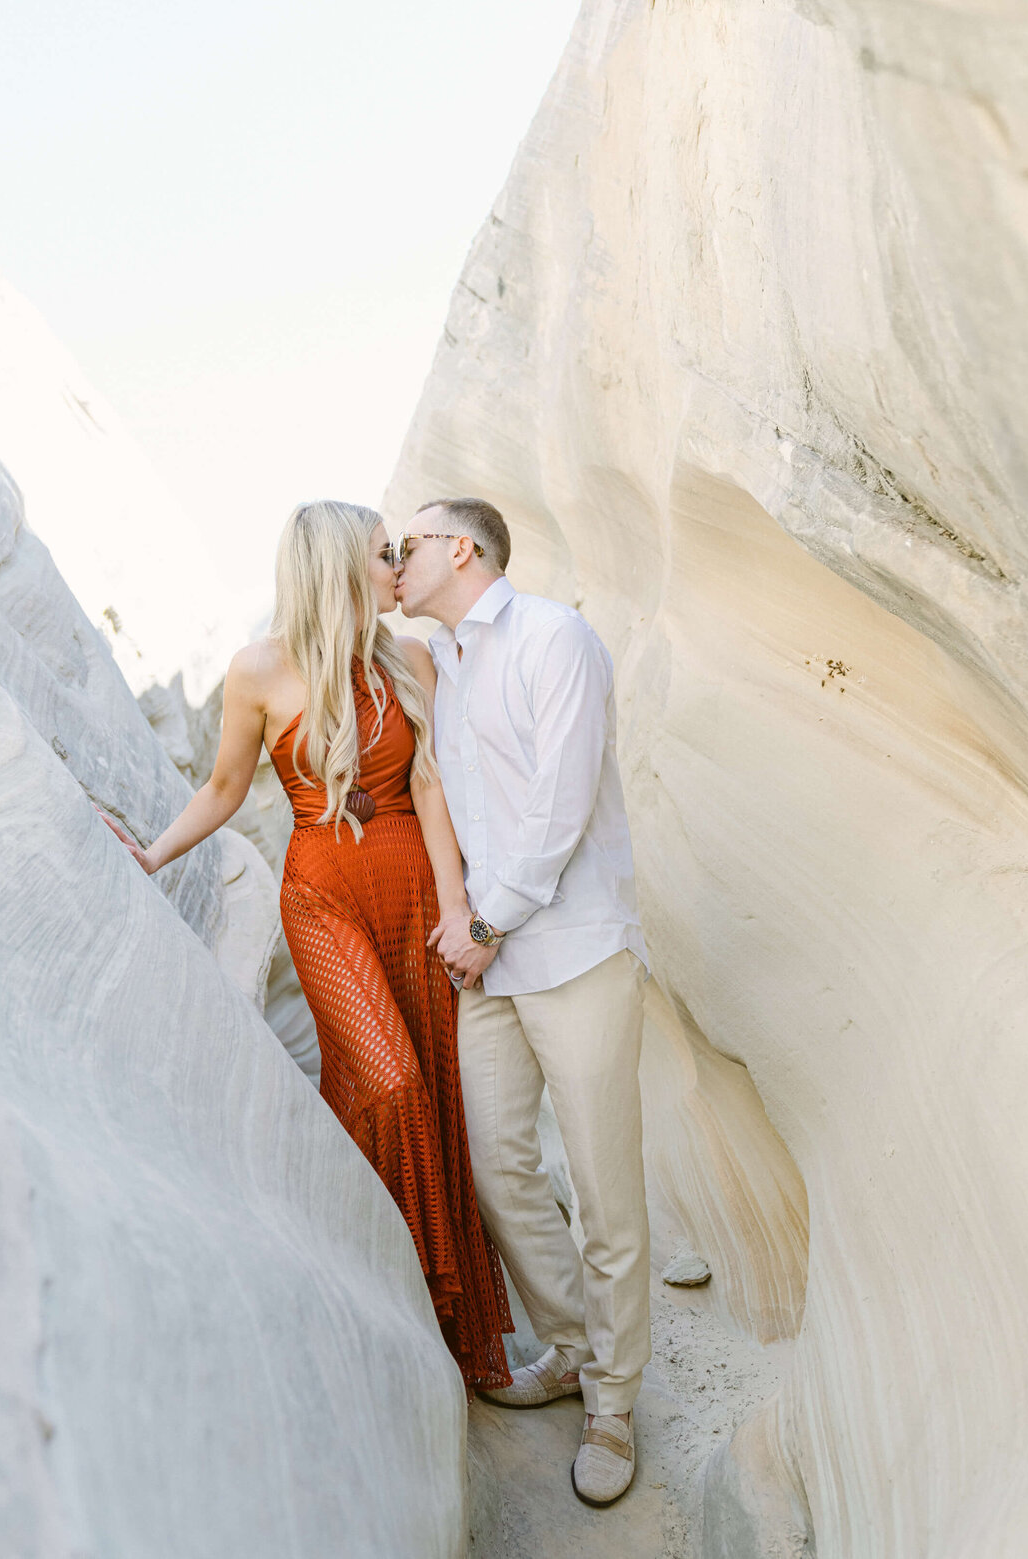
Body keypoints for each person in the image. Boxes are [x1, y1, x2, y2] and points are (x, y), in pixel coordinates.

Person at [102, 500, 512, 1393]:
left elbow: (433, 786)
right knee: (387, 1078)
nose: (396, 566)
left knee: (433, 1085)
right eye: (382, 554)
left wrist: (456, 904)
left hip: (410, 893)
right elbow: (221, 788)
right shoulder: (258, 671)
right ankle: (383, 1286)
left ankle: (449, 1329)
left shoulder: (405, 659)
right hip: (323, 899)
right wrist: (153, 854)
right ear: (337, 566)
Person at [393, 497, 651, 1506]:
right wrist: (477, 932)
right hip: (492, 966)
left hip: (573, 949)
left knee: (602, 1186)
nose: (394, 562)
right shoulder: (447, 664)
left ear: (462, 548)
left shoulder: (555, 638)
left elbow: (561, 802)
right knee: (500, 1172)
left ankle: (615, 1403)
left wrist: (483, 921)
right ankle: (577, 1345)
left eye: (403, 546)